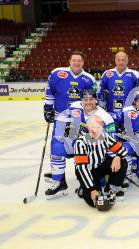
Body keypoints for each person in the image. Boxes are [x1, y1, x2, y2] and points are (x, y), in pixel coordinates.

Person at [45, 89, 116, 198]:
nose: (88, 102)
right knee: (58, 146)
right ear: (81, 100)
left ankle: (100, 178)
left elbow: (112, 139)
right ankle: (59, 182)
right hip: (77, 142)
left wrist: (111, 161)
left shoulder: (105, 116)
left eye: (91, 99)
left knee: (99, 181)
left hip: (96, 148)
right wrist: (67, 135)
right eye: (85, 99)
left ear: (96, 100)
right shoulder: (75, 106)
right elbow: (62, 119)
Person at [43, 51, 96, 197]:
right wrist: (47, 108)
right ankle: (59, 180)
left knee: (80, 148)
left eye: (79, 61)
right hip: (61, 119)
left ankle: (86, 179)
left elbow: (93, 100)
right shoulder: (57, 73)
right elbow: (50, 92)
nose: (77, 63)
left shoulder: (89, 79)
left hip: (79, 121)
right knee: (57, 146)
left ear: (83, 63)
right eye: (74, 60)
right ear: (69, 61)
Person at [74, 115, 128, 211]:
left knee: (122, 162)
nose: (95, 130)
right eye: (93, 127)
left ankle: (111, 188)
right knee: (94, 202)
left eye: (98, 127)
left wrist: (118, 156)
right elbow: (83, 169)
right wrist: (92, 189)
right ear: (88, 127)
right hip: (87, 171)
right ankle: (83, 189)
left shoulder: (104, 136)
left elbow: (123, 150)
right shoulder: (80, 142)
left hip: (100, 165)